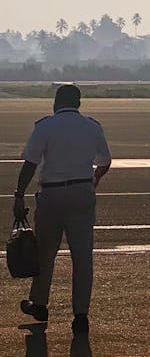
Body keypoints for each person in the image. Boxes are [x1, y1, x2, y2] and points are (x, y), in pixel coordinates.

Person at [12, 84, 111, 335]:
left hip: (52, 194)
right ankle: (80, 314)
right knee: (82, 256)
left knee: (45, 252)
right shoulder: (92, 126)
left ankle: (40, 303)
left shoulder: (45, 126)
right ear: (79, 103)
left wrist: (19, 194)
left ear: (56, 103)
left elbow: (30, 164)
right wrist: (94, 180)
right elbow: (105, 161)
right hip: (82, 192)